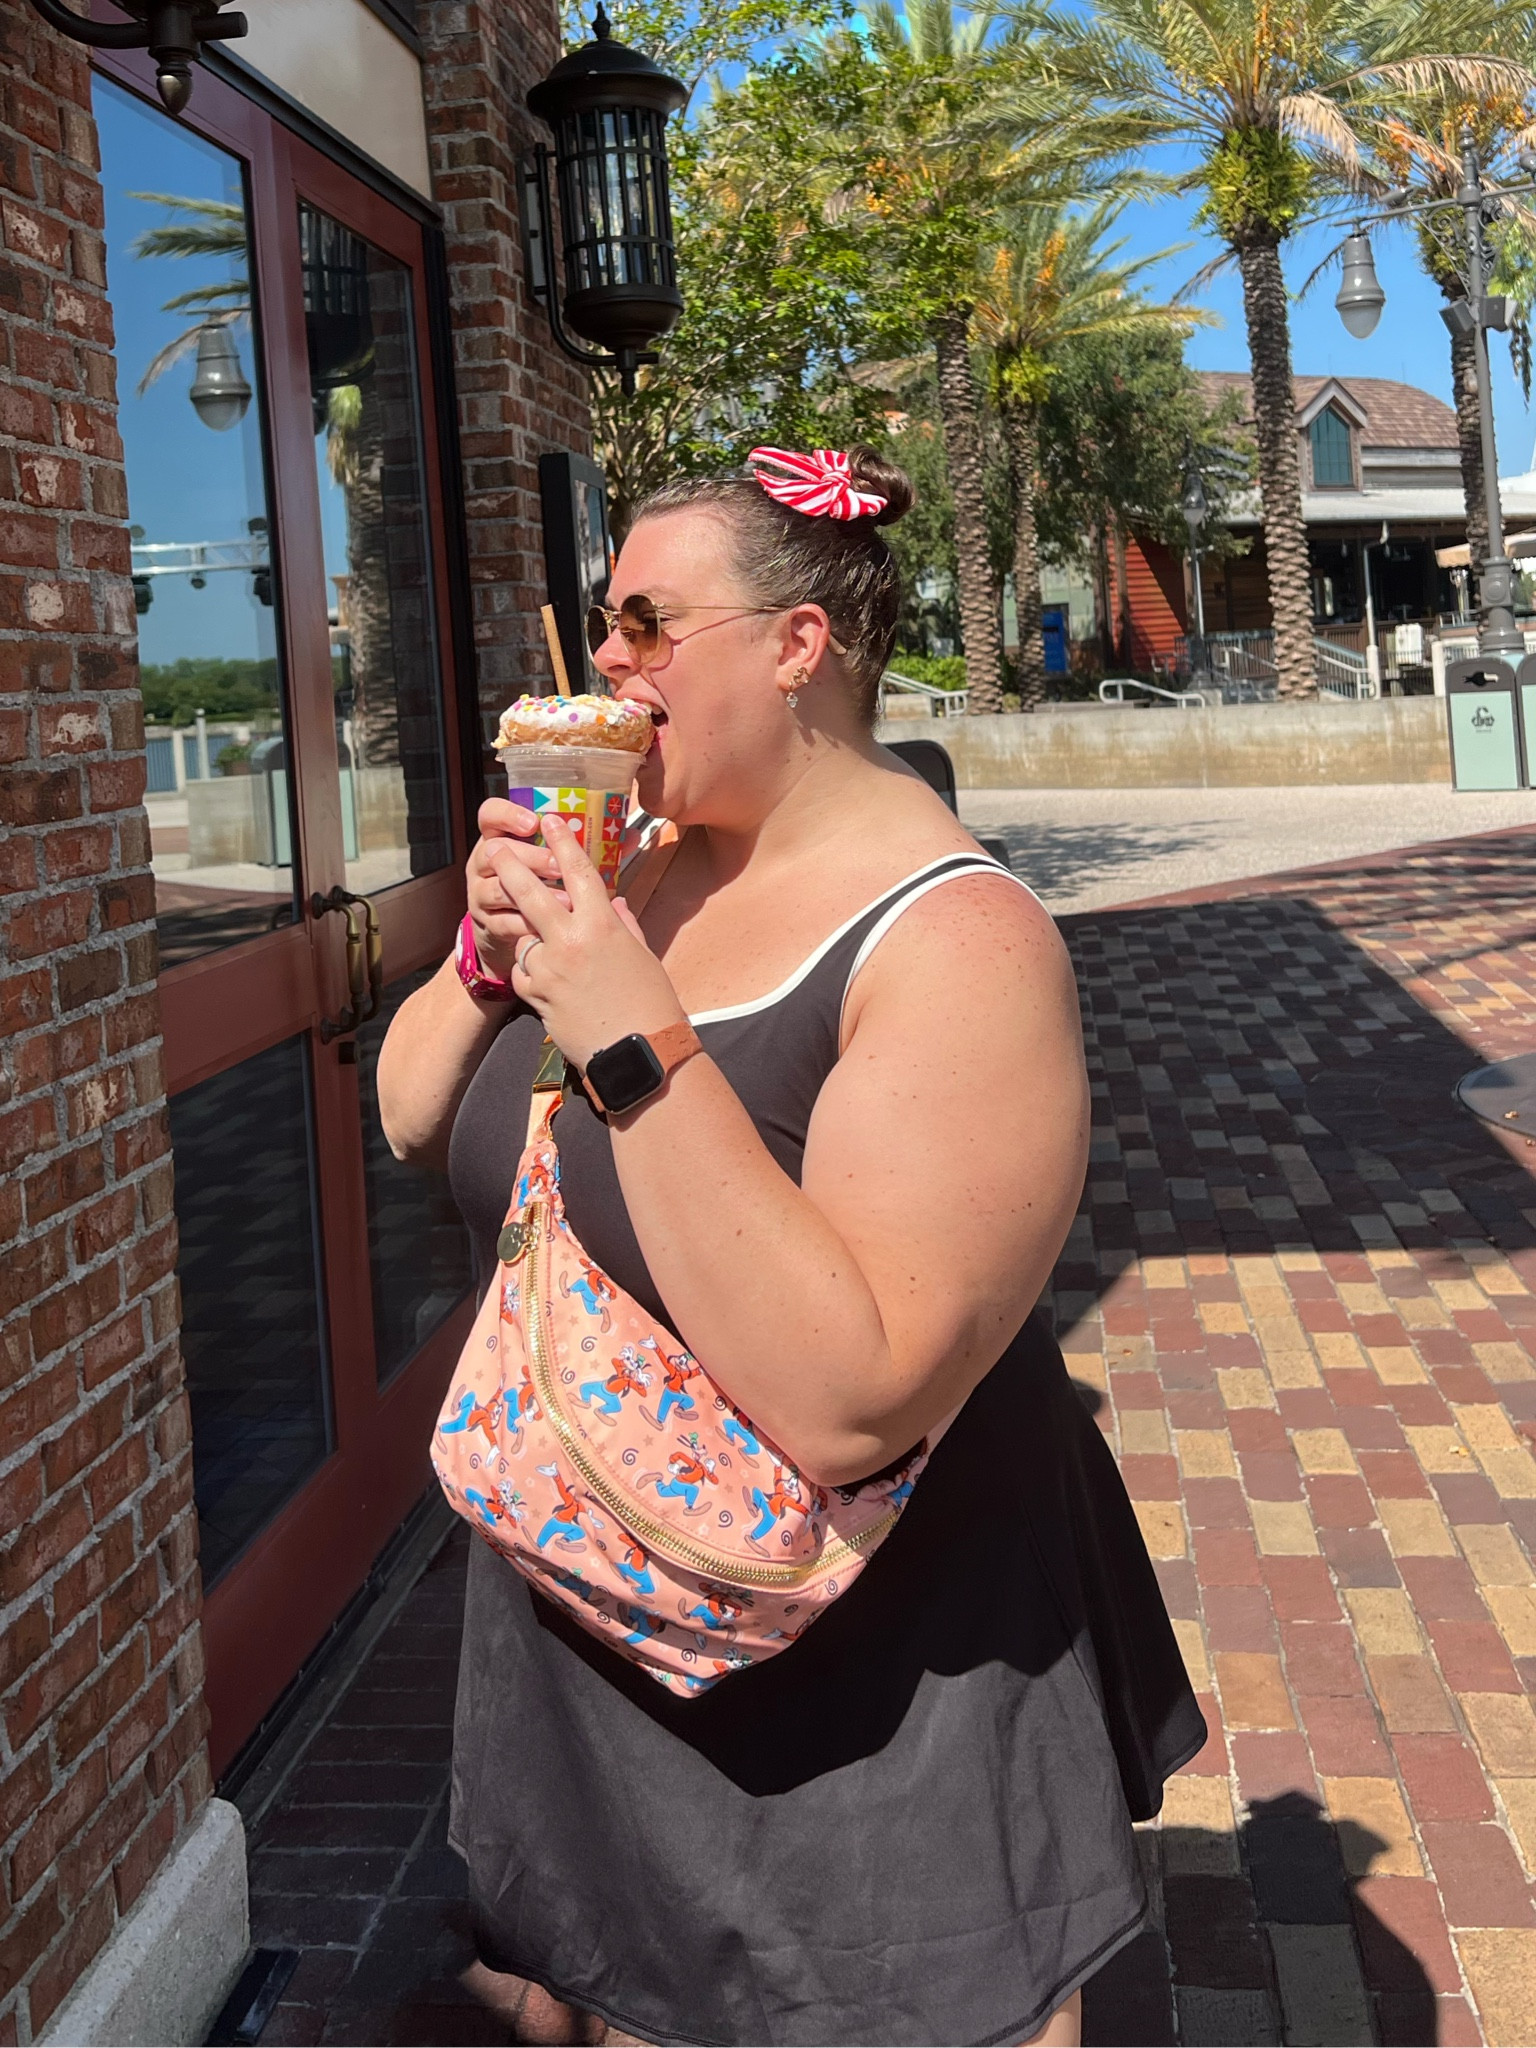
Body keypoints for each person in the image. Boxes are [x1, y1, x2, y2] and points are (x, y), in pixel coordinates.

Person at [376, 446, 1205, 2048]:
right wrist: (501, 947)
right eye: (604, 625)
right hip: (595, 1603)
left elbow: (851, 1396)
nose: (606, 661)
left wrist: (625, 1029)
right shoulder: (638, 861)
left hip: (865, 1663)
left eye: (643, 623)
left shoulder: (956, 936)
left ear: (797, 646)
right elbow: (417, 1119)